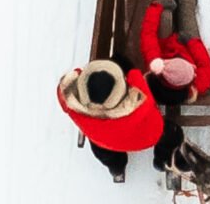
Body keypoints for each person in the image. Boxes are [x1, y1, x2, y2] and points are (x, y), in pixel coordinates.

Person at [140, 0, 210, 175]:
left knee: (164, 11)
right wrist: (192, 44)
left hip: (165, 46)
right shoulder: (191, 77)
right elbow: (208, 71)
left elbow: (148, 36)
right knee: (187, 10)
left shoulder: (159, 69)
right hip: (186, 43)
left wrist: (156, 8)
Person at [57, 53, 163, 181]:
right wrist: (133, 74)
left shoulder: (71, 104)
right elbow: (135, 76)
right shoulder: (139, 102)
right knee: (121, 59)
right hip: (139, 138)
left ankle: (117, 170)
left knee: (107, 155)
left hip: (101, 139)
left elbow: (67, 84)